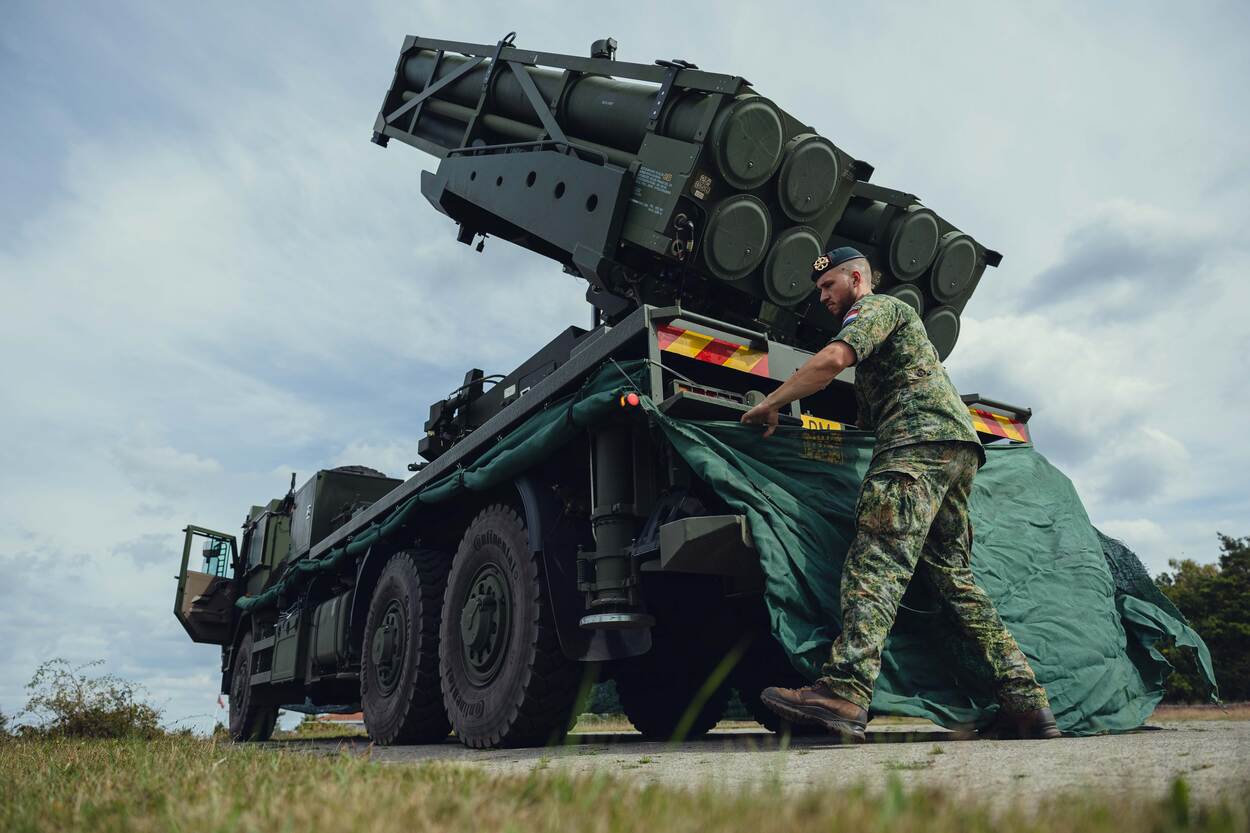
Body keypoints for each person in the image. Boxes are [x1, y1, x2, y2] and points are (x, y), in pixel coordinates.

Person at [739, 246, 1060, 742]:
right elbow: (863, 427)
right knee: (955, 582)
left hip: (915, 448)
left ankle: (844, 691)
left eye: (828, 285)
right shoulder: (891, 343)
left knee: (875, 566)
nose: (822, 296)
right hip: (954, 452)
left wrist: (773, 403)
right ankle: (1027, 704)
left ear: (856, 279)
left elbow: (832, 360)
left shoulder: (877, 308)